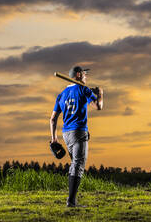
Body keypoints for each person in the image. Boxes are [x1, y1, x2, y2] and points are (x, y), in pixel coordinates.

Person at [50, 66, 103, 207]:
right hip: (78, 131)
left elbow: (53, 119)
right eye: (85, 75)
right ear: (78, 75)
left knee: (75, 164)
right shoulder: (83, 89)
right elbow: (98, 106)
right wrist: (100, 94)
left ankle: (72, 200)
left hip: (66, 133)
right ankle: (71, 201)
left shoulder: (62, 94)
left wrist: (54, 138)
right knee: (78, 165)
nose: (86, 78)